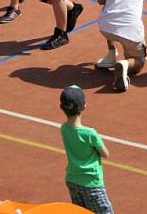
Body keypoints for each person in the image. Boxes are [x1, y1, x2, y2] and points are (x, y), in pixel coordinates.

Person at [59, 85, 114, 214]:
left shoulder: (64, 129)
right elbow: (105, 154)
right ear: (83, 106)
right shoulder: (90, 133)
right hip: (91, 184)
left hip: (72, 180)